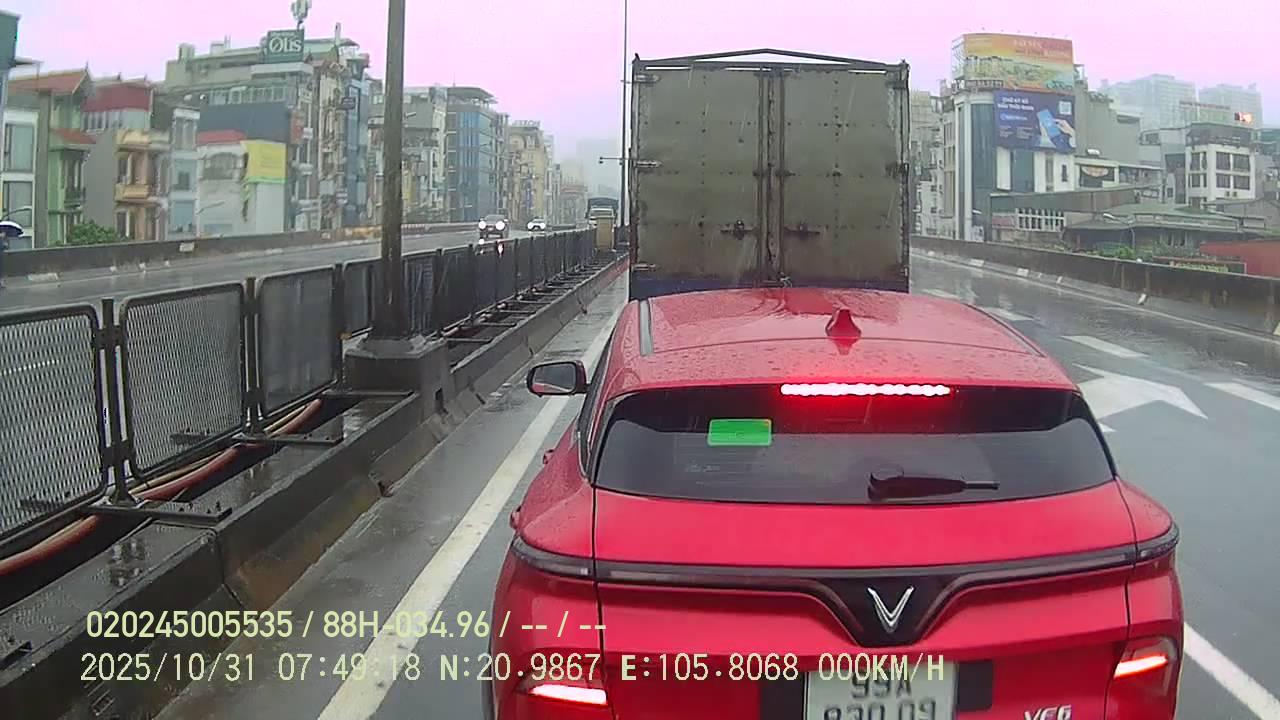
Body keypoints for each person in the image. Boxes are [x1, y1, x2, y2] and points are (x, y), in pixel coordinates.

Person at [0, 219, 24, 289]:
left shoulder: (2, 238)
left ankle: (1, 283)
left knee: (1, 269)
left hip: (1, 254)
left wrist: (4, 245)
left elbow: (4, 246)